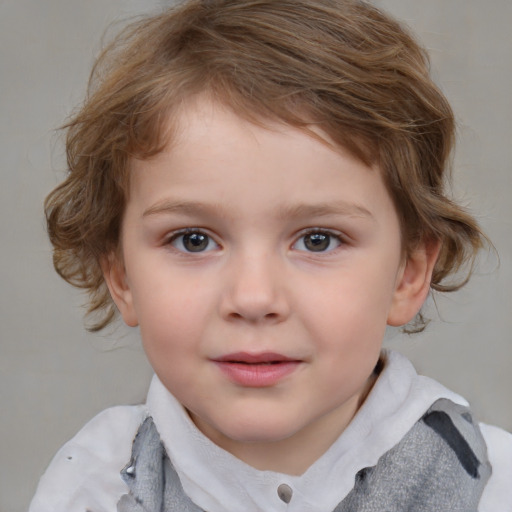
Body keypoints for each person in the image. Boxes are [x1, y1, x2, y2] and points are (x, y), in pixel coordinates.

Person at [29, 0, 512, 510]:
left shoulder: (493, 488)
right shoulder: (93, 489)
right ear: (121, 275)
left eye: (317, 240)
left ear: (408, 274)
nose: (254, 297)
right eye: (194, 239)